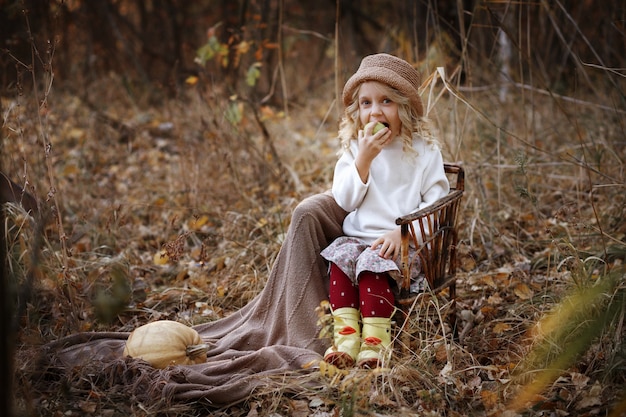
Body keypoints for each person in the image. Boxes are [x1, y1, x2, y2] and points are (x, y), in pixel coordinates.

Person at [321, 53, 450, 369]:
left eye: (386, 102)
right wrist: (363, 160)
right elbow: (345, 200)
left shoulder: (423, 150)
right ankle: (347, 340)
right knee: (340, 259)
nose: (375, 111)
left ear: (404, 108)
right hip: (360, 238)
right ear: (358, 110)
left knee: (370, 265)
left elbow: (436, 205)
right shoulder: (355, 148)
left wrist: (403, 232)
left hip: (402, 246)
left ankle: (377, 345)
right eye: (366, 103)